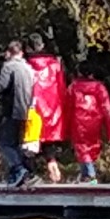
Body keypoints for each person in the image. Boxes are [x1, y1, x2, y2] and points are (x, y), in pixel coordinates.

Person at [65, 62, 110, 184]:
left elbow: (68, 107)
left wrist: (66, 127)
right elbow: (107, 108)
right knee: (91, 148)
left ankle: (90, 175)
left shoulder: (74, 87)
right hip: (95, 122)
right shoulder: (99, 87)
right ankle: (86, 175)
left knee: (81, 148)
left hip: (78, 121)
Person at [27, 34, 69, 184]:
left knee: (29, 142)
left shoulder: (26, 65)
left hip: (33, 108)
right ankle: (52, 166)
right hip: (52, 109)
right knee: (49, 143)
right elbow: (62, 87)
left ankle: (29, 175)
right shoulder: (54, 64)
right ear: (42, 45)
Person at [0, 40, 37, 187]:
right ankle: (26, 174)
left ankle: (19, 169)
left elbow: (3, 86)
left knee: (5, 143)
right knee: (18, 144)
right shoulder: (28, 68)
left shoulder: (8, 66)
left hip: (11, 109)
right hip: (26, 110)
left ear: (9, 52)